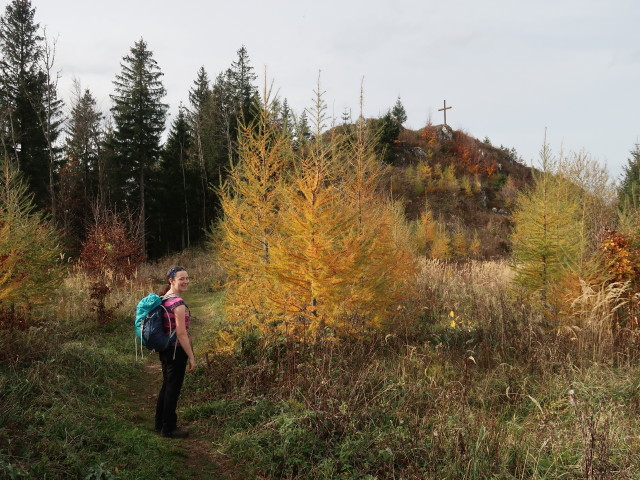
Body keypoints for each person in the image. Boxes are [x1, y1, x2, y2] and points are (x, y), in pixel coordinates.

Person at [155, 265, 196, 438]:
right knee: (173, 389)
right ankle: (169, 428)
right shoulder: (177, 304)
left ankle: (160, 423)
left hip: (164, 349)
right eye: (181, 278)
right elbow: (181, 333)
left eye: (187, 278)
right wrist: (191, 357)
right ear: (171, 281)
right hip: (175, 351)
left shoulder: (164, 298)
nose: (186, 281)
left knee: (166, 386)